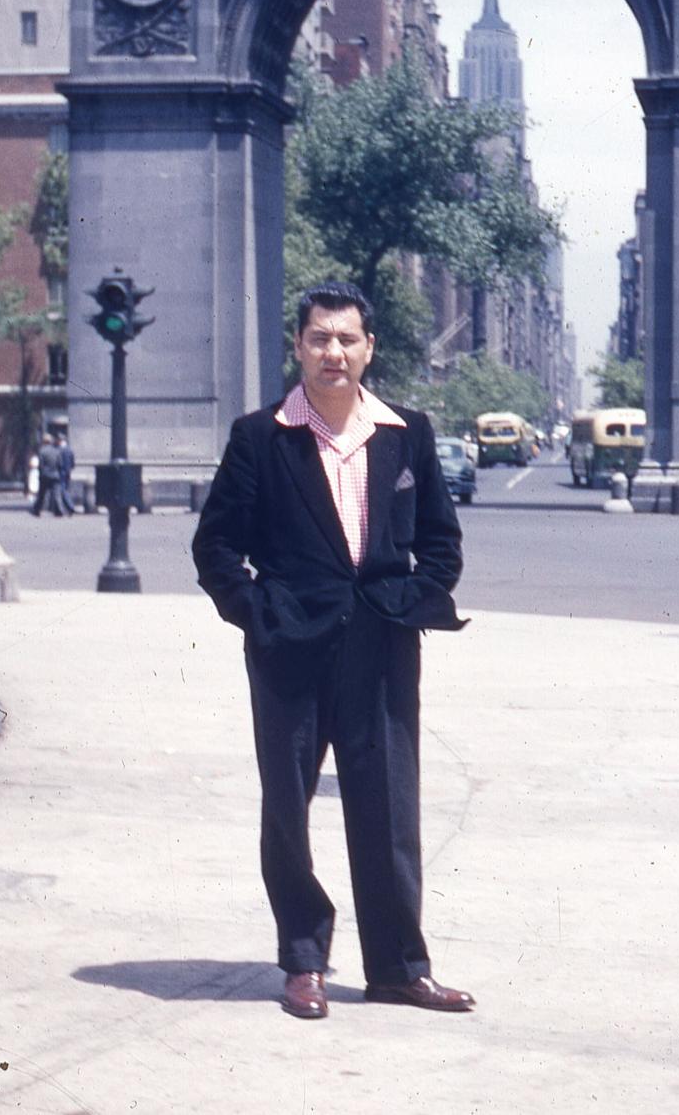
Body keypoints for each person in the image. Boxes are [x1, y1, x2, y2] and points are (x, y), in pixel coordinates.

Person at [192, 281, 474, 1021]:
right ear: (299, 345)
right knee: (287, 808)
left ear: (369, 348)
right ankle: (304, 960)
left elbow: (441, 541)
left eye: (348, 339)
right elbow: (216, 546)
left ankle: (397, 967)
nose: (334, 352)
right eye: (320, 338)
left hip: (380, 648)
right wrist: (259, 615)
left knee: (388, 809)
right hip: (290, 649)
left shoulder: (407, 432)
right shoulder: (262, 436)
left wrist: (411, 603)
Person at [31, 433, 65, 517]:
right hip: (55, 475)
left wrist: (41, 473)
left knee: (41, 495)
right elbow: (60, 464)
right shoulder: (57, 451)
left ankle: (37, 510)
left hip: (45, 475)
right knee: (57, 494)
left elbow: (41, 465)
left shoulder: (42, 451)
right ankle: (59, 510)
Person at [57, 433, 76, 515]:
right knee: (65, 489)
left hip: (61, 472)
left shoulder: (60, 450)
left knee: (63, 490)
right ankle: (67, 507)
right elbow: (73, 463)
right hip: (68, 472)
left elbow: (59, 462)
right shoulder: (70, 450)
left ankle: (70, 506)